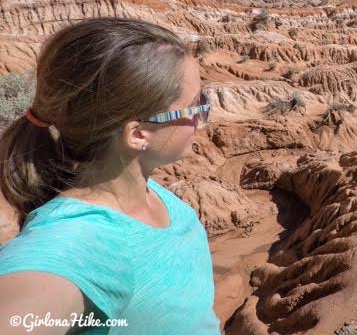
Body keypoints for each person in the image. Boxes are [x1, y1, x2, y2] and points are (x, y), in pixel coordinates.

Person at [0, 17, 222, 334]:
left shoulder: (147, 193)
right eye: (195, 106)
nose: (202, 120)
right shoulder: (82, 241)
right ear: (139, 133)